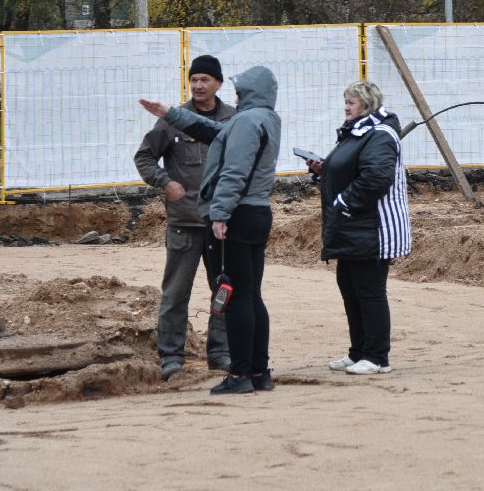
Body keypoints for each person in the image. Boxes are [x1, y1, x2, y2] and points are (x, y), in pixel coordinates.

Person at [139, 65, 280, 395]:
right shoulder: (263, 118)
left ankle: (239, 374)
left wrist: (219, 214)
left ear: (249, 92)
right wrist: (171, 113)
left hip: (238, 215)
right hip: (256, 213)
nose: (235, 95)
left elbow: (234, 172)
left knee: (236, 297)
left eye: (240, 90)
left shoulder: (245, 120)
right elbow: (217, 133)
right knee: (250, 295)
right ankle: (260, 372)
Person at [134, 54, 235, 381]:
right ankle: (171, 357)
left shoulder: (233, 120)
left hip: (220, 226)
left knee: (223, 290)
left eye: (205, 79)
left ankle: (220, 352)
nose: (198, 85)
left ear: (218, 83)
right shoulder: (174, 119)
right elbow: (145, 157)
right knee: (176, 293)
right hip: (184, 223)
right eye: (194, 80)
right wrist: (166, 182)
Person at [307, 80, 411, 376]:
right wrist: (324, 171)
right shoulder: (356, 132)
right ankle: (358, 352)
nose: (346, 107)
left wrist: (342, 203)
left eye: (351, 102)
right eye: (346, 102)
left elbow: (376, 178)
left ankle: (378, 357)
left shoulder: (379, 134)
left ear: (366, 105)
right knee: (350, 289)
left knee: (369, 292)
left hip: (373, 228)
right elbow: (347, 169)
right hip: (352, 228)